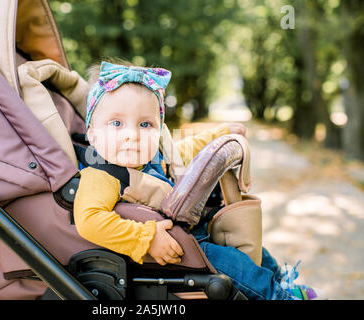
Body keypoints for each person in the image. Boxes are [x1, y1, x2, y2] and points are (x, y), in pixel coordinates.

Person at [73, 59, 326, 300]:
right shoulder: (100, 175)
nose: (132, 135)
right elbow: (90, 221)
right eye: (117, 123)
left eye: (145, 124)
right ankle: (277, 296)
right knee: (236, 265)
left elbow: (185, 150)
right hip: (177, 249)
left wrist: (221, 132)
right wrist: (145, 239)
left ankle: (282, 280)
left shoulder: (153, 157)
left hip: (194, 232)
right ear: (93, 135)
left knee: (257, 252)